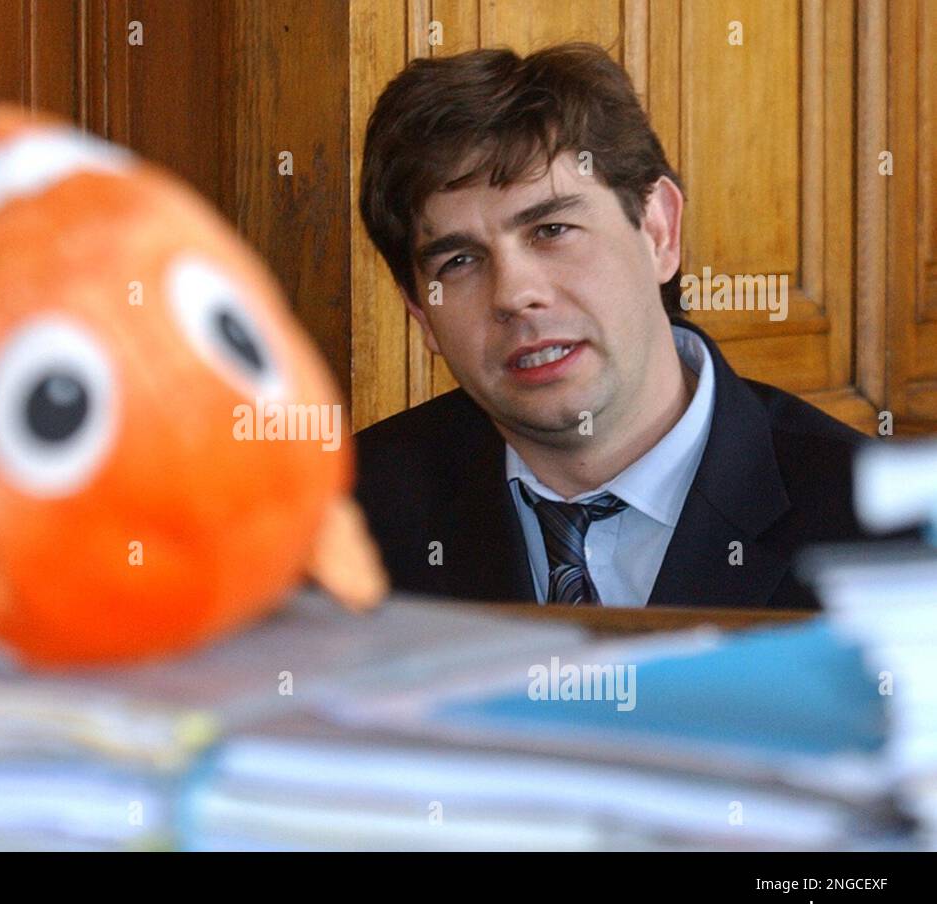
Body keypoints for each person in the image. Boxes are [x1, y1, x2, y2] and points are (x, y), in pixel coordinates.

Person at [353, 42, 894, 608]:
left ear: (659, 230)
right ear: (422, 312)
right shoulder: (345, 522)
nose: (514, 294)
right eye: (458, 261)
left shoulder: (881, 536)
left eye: (552, 229)